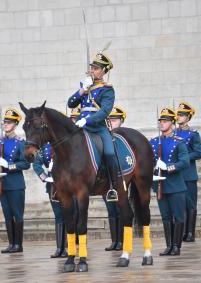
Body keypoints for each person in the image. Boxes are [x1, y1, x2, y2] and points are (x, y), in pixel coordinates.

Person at [67, 51, 118, 201]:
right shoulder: (85, 86)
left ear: (103, 71)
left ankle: (113, 187)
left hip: (98, 127)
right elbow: (70, 103)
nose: (92, 70)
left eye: (96, 68)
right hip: (81, 128)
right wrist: (83, 90)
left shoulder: (107, 89)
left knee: (109, 153)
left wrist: (87, 121)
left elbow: (104, 111)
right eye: (92, 68)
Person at [0, 108, 30, 254]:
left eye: (9, 122)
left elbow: (26, 163)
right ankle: (11, 243)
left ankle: (18, 244)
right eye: (4, 122)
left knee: (17, 214)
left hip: (15, 184)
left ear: (15, 125)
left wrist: (9, 166)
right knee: (7, 214)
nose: (5, 125)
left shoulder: (20, 143)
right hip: (2, 183)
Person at [150, 107, 189, 256]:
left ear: (172, 124)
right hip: (160, 184)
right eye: (160, 121)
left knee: (178, 217)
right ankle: (168, 245)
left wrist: (168, 166)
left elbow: (184, 162)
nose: (162, 124)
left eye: (165, 121)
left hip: (176, 185)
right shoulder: (153, 142)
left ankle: (176, 246)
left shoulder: (179, 142)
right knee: (165, 217)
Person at [175, 102, 201, 242]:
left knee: (190, 204)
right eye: (178, 114)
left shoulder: (193, 134)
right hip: (176, 174)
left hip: (189, 173)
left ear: (188, 117)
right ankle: (182, 232)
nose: (178, 117)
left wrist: (184, 157)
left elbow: (198, 153)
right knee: (179, 204)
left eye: (182, 115)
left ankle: (190, 233)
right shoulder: (172, 133)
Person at [104, 106, 126, 251]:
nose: (112, 122)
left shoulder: (123, 138)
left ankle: (122, 241)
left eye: (115, 120)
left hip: (120, 177)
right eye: (110, 120)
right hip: (107, 180)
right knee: (111, 210)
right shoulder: (105, 137)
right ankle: (115, 241)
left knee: (120, 210)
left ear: (121, 121)